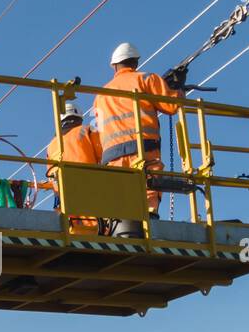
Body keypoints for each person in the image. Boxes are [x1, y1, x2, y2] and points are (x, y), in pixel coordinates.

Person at [92, 42, 186, 235]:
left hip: (111, 155)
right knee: (150, 181)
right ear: (135, 62)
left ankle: (119, 223)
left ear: (114, 66)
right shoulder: (146, 79)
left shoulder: (100, 95)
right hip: (143, 147)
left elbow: (97, 129)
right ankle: (150, 216)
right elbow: (171, 106)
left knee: (120, 189)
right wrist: (178, 88)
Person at [43, 102, 100, 234]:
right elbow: (104, 157)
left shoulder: (52, 144)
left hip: (64, 200)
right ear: (79, 118)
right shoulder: (87, 130)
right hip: (89, 193)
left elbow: (50, 173)